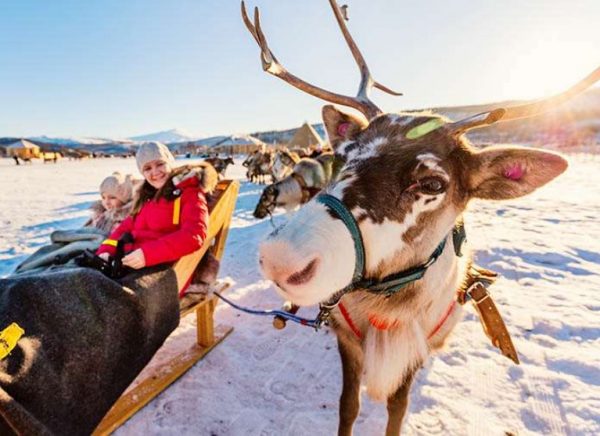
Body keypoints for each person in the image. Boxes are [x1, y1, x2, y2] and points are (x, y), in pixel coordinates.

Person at [96, 142, 215, 293]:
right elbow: (124, 228)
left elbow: (194, 235)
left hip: (168, 271)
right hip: (133, 264)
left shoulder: (189, 192)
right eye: (147, 168)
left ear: (170, 163)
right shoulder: (147, 197)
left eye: (160, 164)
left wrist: (148, 254)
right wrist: (105, 251)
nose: (155, 172)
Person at [13, 172, 137, 274]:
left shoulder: (123, 219)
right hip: (86, 245)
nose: (106, 202)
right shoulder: (99, 215)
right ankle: (27, 267)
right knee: (49, 251)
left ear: (124, 198)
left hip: (99, 251)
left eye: (112, 198)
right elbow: (84, 232)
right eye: (103, 197)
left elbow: (113, 240)